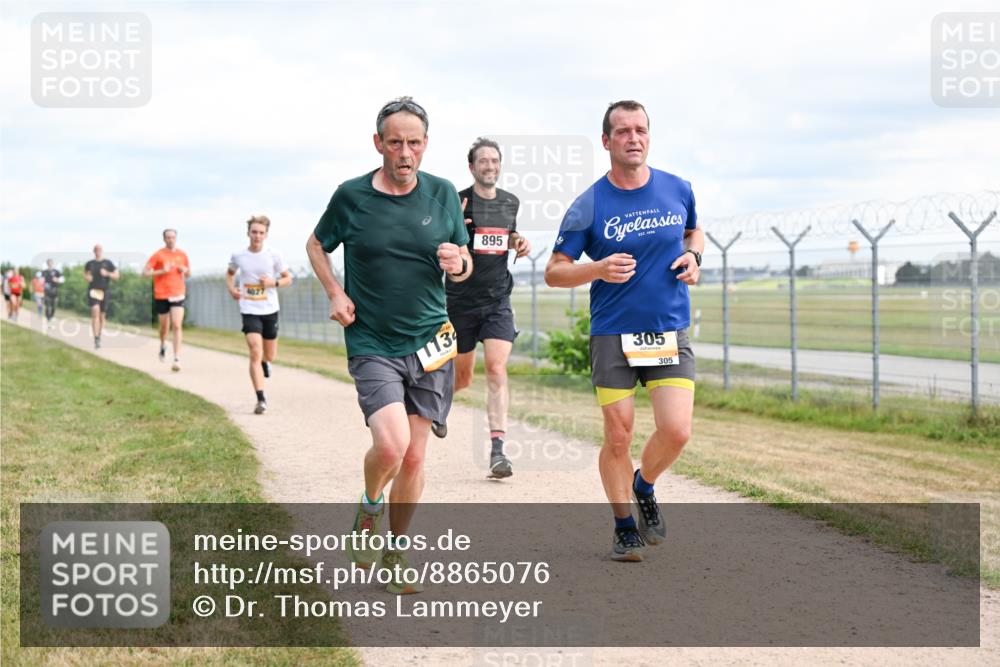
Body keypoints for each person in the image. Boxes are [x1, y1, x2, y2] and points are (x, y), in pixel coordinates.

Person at [306, 96, 472, 594]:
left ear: (425, 145)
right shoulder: (352, 197)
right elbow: (317, 245)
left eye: (414, 142)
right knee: (392, 444)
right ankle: (370, 504)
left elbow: (464, 263)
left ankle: (396, 553)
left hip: (432, 341)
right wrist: (336, 292)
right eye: (395, 142)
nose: (405, 152)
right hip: (373, 340)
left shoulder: (443, 194)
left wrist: (456, 262)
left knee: (416, 458)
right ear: (378, 143)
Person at [544, 100, 703, 562]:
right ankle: (623, 526)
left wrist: (694, 258)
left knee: (676, 431)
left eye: (641, 130)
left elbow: (695, 232)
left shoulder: (678, 188)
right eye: (623, 131)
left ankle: (644, 484)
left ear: (649, 136)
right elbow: (555, 272)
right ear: (606, 141)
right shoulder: (589, 204)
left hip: (668, 329)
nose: (633, 138)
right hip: (613, 334)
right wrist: (596, 269)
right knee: (619, 435)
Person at [443, 137, 530, 479]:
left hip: (497, 301)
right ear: (472, 167)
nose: (489, 166)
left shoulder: (510, 202)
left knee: (496, 368)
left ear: (500, 165)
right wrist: (454, 233)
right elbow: (444, 242)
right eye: (483, 161)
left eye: (494, 160)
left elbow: (507, 235)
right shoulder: (458, 202)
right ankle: (434, 404)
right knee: (462, 379)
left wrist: (518, 241)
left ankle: (497, 450)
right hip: (461, 303)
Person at [226, 215, 293, 415]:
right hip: (249, 309)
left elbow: (288, 278)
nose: (257, 236)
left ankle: (266, 362)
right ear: (248, 233)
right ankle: (261, 399)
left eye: (261, 233)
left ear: (266, 235)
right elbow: (229, 274)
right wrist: (232, 290)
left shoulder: (274, 255)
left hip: (270, 309)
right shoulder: (238, 255)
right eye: (254, 232)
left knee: (269, 354)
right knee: (255, 350)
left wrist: (274, 283)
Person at [143, 229, 190, 371]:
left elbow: (189, 273)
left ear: (176, 238)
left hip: (177, 293)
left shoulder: (182, 254)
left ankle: (177, 358)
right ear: (164, 239)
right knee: (164, 327)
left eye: (173, 237)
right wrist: (161, 271)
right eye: (168, 237)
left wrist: (184, 270)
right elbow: (145, 273)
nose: (170, 239)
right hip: (161, 294)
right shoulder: (158, 255)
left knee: (176, 325)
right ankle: (163, 344)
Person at [84, 245, 119, 349]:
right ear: (94, 251)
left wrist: (107, 273)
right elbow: (85, 274)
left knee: (102, 316)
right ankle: (95, 338)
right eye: (96, 250)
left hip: (105, 290)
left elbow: (117, 276)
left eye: (100, 250)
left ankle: (99, 336)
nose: (98, 251)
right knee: (95, 311)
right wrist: (87, 277)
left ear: (102, 251)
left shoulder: (108, 263)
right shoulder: (90, 263)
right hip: (94, 290)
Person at [41, 258, 64, 330]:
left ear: (52, 263)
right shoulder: (44, 272)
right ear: (47, 264)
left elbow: (62, 279)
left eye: (51, 263)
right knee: (48, 307)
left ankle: (51, 317)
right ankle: (48, 321)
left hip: (55, 292)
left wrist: (57, 280)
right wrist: (42, 283)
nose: (50, 264)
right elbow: (40, 280)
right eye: (49, 263)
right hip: (47, 292)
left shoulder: (56, 272)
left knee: (54, 306)